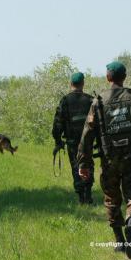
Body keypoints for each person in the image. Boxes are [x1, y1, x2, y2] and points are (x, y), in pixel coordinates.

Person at [77, 61, 131, 259]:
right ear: (124, 77)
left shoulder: (98, 102)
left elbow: (87, 135)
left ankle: (120, 241)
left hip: (109, 160)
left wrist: (84, 163)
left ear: (108, 77)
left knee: (112, 199)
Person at [52, 72, 94, 204]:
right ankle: (88, 195)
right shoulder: (90, 100)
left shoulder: (65, 101)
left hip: (72, 142)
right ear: (83, 84)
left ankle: (81, 197)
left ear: (71, 84)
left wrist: (58, 142)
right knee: (88, 164)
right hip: (88, 142)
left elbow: (57, 125)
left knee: (76, 167)